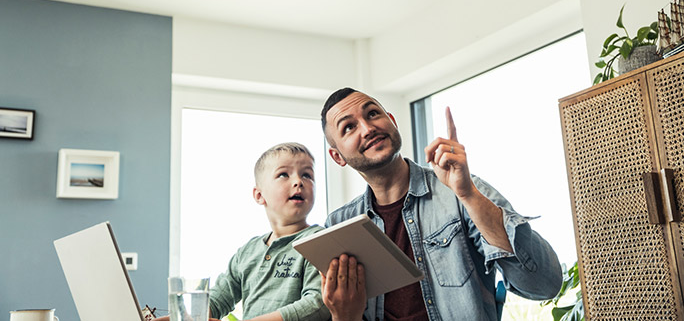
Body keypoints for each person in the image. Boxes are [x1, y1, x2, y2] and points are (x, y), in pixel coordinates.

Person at [318, 88, 562, 321]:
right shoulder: (339, 226)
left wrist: (468, 195)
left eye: (373, 113)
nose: (368, 128)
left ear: (392, 121)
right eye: (349, 127)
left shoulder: (461, 189)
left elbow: (544, 284)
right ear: (337, 156)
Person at [157, 142, 330, 321]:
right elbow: (217, 301)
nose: (298, 182)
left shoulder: (318, 240)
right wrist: (175, 318)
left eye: (307, 175)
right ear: (259, 195)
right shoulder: (248, 251)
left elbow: (317, 304)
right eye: (283, 174)